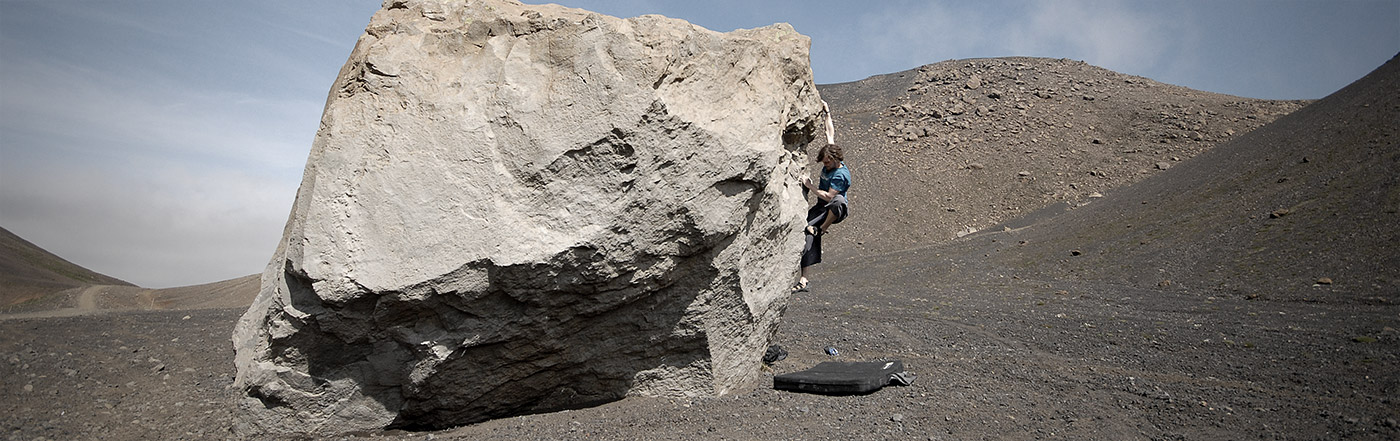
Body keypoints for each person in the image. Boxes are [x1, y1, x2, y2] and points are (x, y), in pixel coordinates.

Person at [794, 143, 850, 293]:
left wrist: (809, 185)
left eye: (826, 162)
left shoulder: (840, 175)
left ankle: (823, 228)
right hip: (820, 208)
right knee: (807, 233)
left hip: (835, 210)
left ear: (836, 159)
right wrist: (827, 118)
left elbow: (829, 197)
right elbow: (830, 134)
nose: (825, 165)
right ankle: (804, 280)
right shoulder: (831, 158)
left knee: (838, 200)